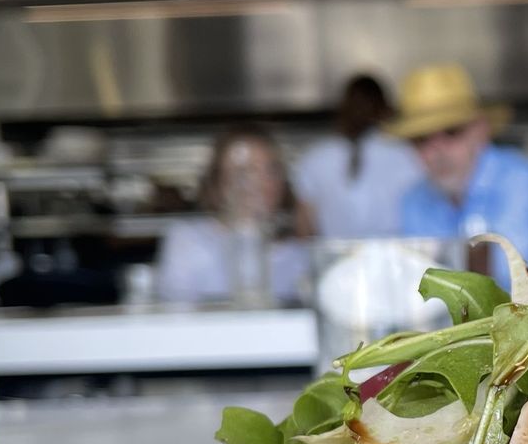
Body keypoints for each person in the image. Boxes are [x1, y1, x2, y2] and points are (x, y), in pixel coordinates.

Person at [394, 64, 528, 288]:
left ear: (481, 129)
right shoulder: (414, 200)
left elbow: (505, 275)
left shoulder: (523, 180)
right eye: (421, 138)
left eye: (451, 131)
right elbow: (416, 285)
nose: (437, 150)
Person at [156, 126, 313, 305]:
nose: (261, 183)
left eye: (270, 170)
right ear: (217, 183)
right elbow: (174, 316)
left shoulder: (298, 253)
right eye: (244, 172)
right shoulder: (188, 240)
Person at [291, 74, 425, 239]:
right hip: (396, 259)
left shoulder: (313, 159)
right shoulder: (409, 154)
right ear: (385, 109)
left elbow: (304, 231)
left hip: (335, 262)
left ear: (343, 108)